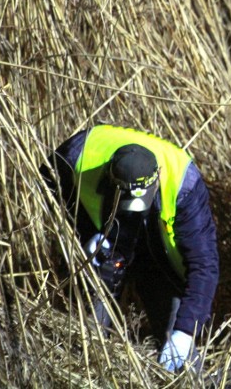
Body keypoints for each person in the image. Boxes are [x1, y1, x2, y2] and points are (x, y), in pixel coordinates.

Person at [41, 125, 219, 372]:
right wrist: (84, 236)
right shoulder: (77, 155)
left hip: (158, 257)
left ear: (156, 180)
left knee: (179, 346)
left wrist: (184, 331)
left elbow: (205, 265)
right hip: (109, 244)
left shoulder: (184, 185)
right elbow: (47, 184)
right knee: (86, 338)